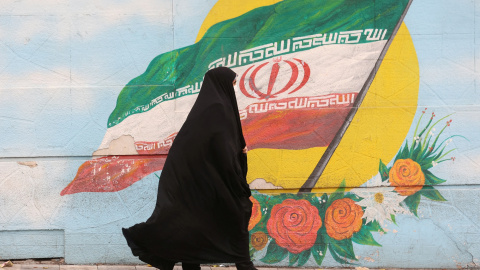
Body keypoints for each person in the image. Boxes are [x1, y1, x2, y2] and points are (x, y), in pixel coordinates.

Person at [122, 67, 256, 270]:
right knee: (237, 213)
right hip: (208, 182)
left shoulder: (208, 108)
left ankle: (192, 265)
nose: (235, 88)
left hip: (195, 182)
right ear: (223, 84)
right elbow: (222, 148)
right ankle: (244, 265)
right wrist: (239, 157)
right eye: (233, 84)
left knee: (194, 222)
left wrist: (238, 151)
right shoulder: (218, 109)